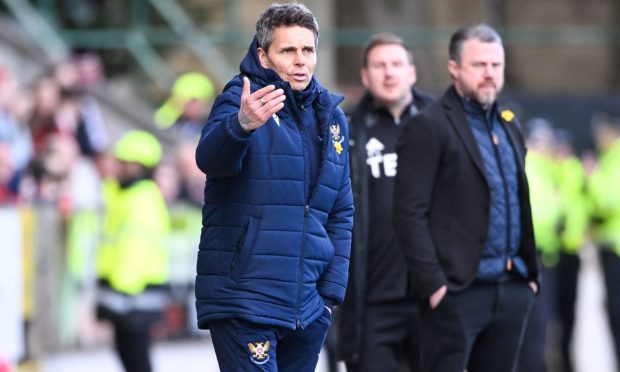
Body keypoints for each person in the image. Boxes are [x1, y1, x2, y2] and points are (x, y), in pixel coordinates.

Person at [194, 3, 354, 372]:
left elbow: (341, 210)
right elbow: (210, 160)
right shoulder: (242, 99)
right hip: (246, 299)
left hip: (308, 307)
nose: (301, 60)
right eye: (288, 50)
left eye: (308, 50)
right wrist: (241, 125)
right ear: (264, 56)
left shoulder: (331, 116)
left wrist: (329, 294)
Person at [393, 22, 539, 372]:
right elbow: (408, 213)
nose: (490, 74)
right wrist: (435, 287)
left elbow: (518, 201)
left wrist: (529, 278)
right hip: (457, 293)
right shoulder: (428, 126)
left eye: (496, 65)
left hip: (512, 288)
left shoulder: (509, 125)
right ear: (454, 68)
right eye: (479, 65)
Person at [336, 32, 434, 372]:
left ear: (412, 72)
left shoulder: (442, 126)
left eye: (396, 64)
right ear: (365, 76)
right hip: (372, 298)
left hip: (433, 296)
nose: (389, 73)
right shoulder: (346, 132)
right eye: (379, 65)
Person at [95, 130, 171, 372]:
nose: (121, 168)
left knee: (135, 355)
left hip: (134, 292)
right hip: (126, 290)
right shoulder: (126, 194)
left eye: (127, 163)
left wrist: (122, 291)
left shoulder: (142, 198)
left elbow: (136, 247)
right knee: (127, 352)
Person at [588, 113, 620, 368]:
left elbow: (608, 201)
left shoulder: (614, 159)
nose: (598, 138)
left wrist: (592, 177)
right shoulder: (610, 159)